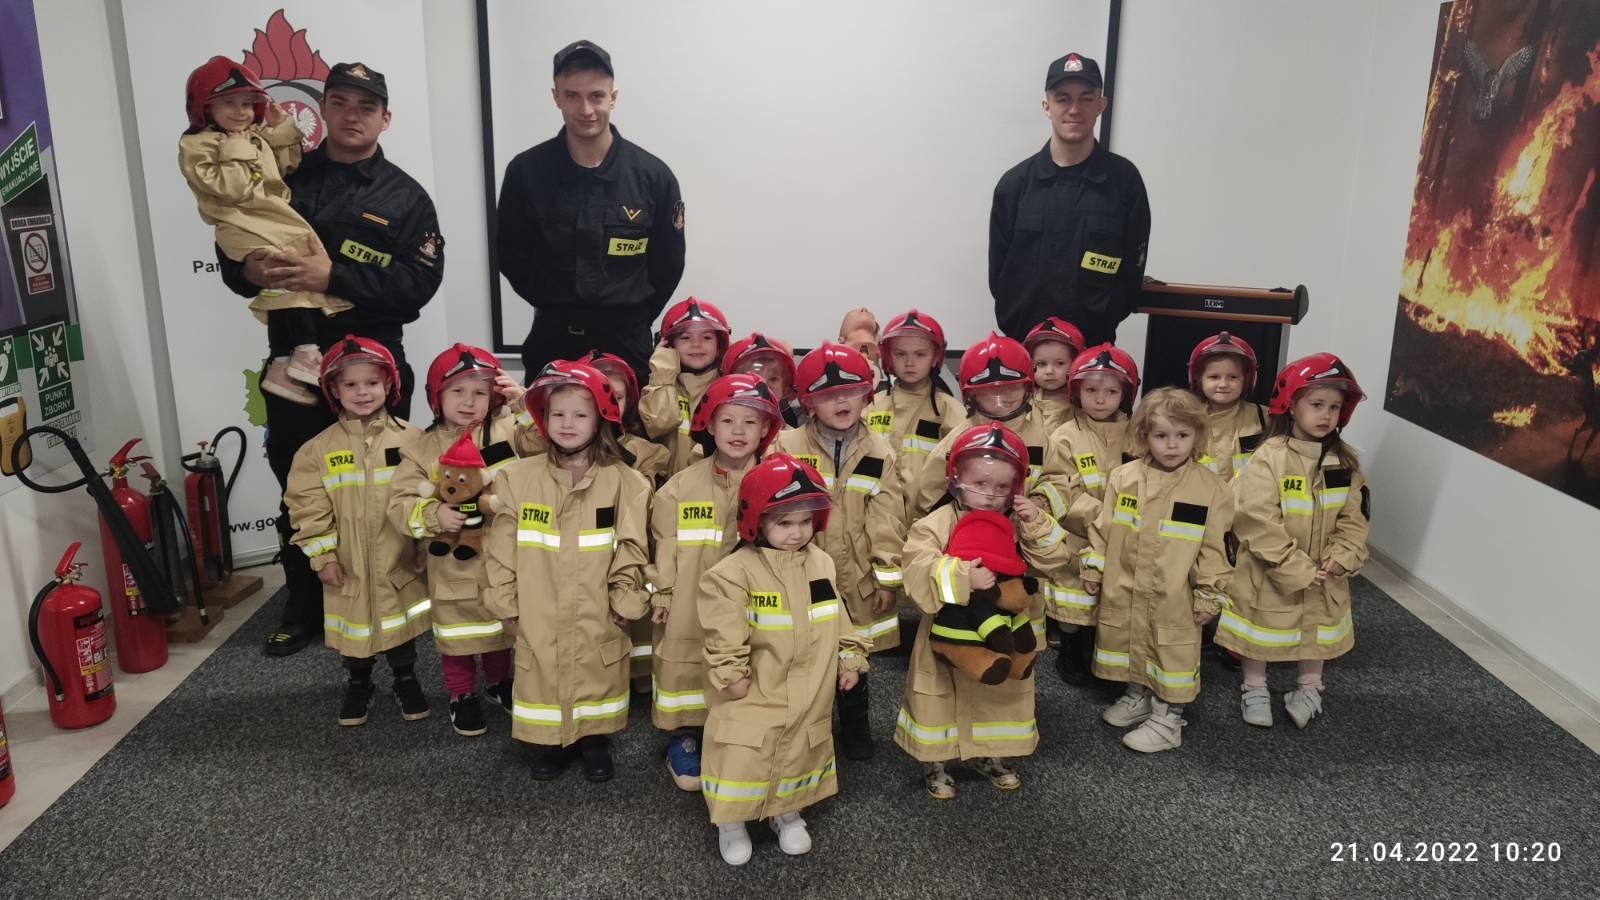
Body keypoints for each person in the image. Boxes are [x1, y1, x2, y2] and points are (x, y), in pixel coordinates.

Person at [216, 61, 445, 658]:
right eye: (340, 102)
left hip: (375, 364)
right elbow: (234, 259)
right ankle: (302, 604)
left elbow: (418, 285)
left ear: (385, 118)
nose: (351, 116)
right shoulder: (282, 176)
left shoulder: (406, 197)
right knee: (300, 485)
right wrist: (248, 270)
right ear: (322, 110)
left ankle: (396, 597)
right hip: (295, 359)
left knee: (390, 486)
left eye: (366, 107)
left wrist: (333, 276)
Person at [483, 361, 653, 782]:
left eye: (580, 414)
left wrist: (626, 599)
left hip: (597, 605)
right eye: (557, 414)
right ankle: (549, 742)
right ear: (543, 418)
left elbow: (633, 547)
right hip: (538, 604)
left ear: (601, 418)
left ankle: (594, 740)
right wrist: (504, 598)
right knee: (542, 669)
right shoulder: (515, 479)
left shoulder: (627, 482)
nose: (567, 423)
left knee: (596, 670)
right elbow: (500, 546)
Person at [697, 454, 870, 865]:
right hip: (756, 688)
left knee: (798, 750)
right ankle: (731, 821)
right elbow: (722, 631)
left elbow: (838, 617)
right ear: (756, 521)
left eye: (806, 521)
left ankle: (786, 811)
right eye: (784, 522)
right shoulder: (732, 572)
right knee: (742, 754)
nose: (797, 533)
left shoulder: (821, 563)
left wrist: (850, 658)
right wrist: (731, 674)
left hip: (809, 687)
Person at [895, 424, 1072, 798]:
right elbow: (915, 568)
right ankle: (936, 764)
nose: (990, 495)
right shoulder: (937, 522)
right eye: (979, 483)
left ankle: (990, 755)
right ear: (956, 479)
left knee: (999, 696)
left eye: (1002, 486)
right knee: (940, 698)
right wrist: (963, 576)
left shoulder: (1019, 523)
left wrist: (1037, 524)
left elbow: (1055, 561)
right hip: (949, 632)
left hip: (1002, 632)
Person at [497, 40, 686, 379]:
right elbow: (511, 255)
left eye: (596, 96)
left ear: (613, 97)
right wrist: (556, 304)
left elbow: (668, 264)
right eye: (572, 96)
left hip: (626, 346)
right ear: (556, 97)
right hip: (553, 341)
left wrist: (630, 316)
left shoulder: (653, 176)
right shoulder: (526, 172)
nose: (586, 109)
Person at [180, 56, 348, 405]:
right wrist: (237, 145)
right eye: (228, 103)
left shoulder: (250, 137)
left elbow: (287, 165)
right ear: (205, 106)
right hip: (242, 224)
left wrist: (279, 126)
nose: (240, 112)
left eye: (247, 103)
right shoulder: (198, 145)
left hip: (265, 218)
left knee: (284, 281)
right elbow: (232, 189)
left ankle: (282, 363)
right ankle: (305, 350)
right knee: (294, 273)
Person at [386, 344, 535, 736]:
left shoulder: (510, 430)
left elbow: (546, 445)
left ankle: (499, 682)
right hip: (454, 562)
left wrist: (524, 404)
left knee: (502, 626)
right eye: (458, 391)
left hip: (507, 556)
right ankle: (461, 694)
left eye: (480, 392)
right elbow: (399, 503)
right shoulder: (421, 448)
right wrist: (433, 515)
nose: (469, 402)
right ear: (437, 396)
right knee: (458, 635)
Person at [1216, 354, 1370, 730]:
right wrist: (1292, 564)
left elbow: (1355, 519)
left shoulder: (1345, 462)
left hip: (1325, 571)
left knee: (1316, 627)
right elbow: (1254, 518)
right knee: (1259, 627)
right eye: (1317, 405)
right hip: (1271, 569)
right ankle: (1254, 687)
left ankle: (1310, 686)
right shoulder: (1268, 458)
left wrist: (1344, 554)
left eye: (1334, 407)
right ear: (1290, 405)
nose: (1326, 415)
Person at [282, 336, 429, 726]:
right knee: (354, 628)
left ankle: (406, 679)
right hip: (347, 564)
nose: (362, 392)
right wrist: (323, 556)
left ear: (389, 384)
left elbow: (427, 495)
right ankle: (359, 683)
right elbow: (307, 507)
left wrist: (425, 544)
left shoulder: (414, 440)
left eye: (371, 383)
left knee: (401, 624)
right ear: (333, 389)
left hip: (398, 556)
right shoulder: (317, 450)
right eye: (350, 384)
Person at [648, 374, 783, 792]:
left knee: (753, 664)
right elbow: (665, 545)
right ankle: (684, 737)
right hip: (690, 600)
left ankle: (745, 738)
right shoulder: (680, 487)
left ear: (766, 428)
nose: (738, 431)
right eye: (727, 421)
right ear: (709, 423)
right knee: (685, 660)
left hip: (757, 601)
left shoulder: (780, 484)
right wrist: (663, 592)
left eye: (750, 422)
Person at [772, 344, 907, 759]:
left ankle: (854, 724)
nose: (841, 401)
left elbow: (887, 520)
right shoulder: (785, 444)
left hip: (856, 575)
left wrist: (887, 576)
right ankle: (805, 727)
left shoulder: (880, 451)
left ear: (867, 394)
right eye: (828, 395)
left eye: (850, 391)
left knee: (854, 654)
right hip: (800, 568)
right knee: (802, 651)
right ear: (808, 402)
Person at [1080, 388, 1233, 753]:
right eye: (1161, 435)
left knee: (1172, 652)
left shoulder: (1210, 488)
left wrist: (1210, 593)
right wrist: (1094, 566)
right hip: (1127, 583)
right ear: (1144, 435)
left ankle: (1169, 717)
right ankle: (1139, 694)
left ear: (1197, 435)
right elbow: (1103, 528)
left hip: (1175, 592)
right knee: (1129, 637)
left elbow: (1215, 549)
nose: (1172, 445)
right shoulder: (1123, 478)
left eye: (1182, 435)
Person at [989, 52, 1151, 346]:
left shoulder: (1124, 183)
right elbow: (999, 276)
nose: (1074, 109)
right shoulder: (1014, 185)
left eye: (1086, 98)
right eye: (1063, 98)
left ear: (1101, 105)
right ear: (1047, 106)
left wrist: (1103, 317)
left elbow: (1131, 274)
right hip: (1025, 348)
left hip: (1093, 351)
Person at [1046, 344, 1141, 684]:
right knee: (1074, 596)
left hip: (1129, 534)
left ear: (1126, 394)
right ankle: (1071, 646)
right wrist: (1104, 518)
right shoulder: (1064, 437)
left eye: (1111, 391)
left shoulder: (1139, 434)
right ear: (1076, 391)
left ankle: (1104, 649)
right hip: (1079, 533)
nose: (1101, 399)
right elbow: (1060, 488)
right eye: (1091, 390)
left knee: (1115, 597)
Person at [905, 334, 1069, 527]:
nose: (1003, 396)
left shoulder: (1039, 439)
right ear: (972, 395)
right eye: (992, 391)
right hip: (968, 532)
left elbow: (1058, 482)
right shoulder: (957, 440)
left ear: (1027, 389)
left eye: (1012, 387)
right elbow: (928, 498)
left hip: (1025, 532)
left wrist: (1038, 506)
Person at [865, 310, 964, 497]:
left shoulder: (950, 411)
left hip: (930, 511)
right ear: (888, 357)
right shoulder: (871, 406)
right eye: (900, 354)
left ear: (935, 357)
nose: (910, 362)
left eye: (920, 354)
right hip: (878, 509)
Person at [640, 298, 729, 476]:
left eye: (706, 337)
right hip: (668, 486)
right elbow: (659, 422)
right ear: (668, 346)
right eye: (685, 338)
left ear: (720, 346)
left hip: (714, 484)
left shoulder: (729, 389)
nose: (696, 344)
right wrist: (663, 371)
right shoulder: (660, 384)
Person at [1189, 332, 1267, 482]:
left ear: (1247, 380)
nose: (1223, 384)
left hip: (1246, 495)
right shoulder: (1186, 418)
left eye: (1233, 377)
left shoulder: (1264, 417)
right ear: (1198, 379)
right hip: (1199, 494)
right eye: (1214, 377)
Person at [724, 332, 805, 428]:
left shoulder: (790, 427)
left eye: (773, 379)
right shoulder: (723, 421)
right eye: (753, 378)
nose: (764, 386)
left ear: (785, 385)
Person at [1024, 317, 1086, 433]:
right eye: (1041, 364)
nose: (1049, 371)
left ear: (1076, 363)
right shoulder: (1022, 402)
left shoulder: (1085, 403)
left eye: (1059, 363)